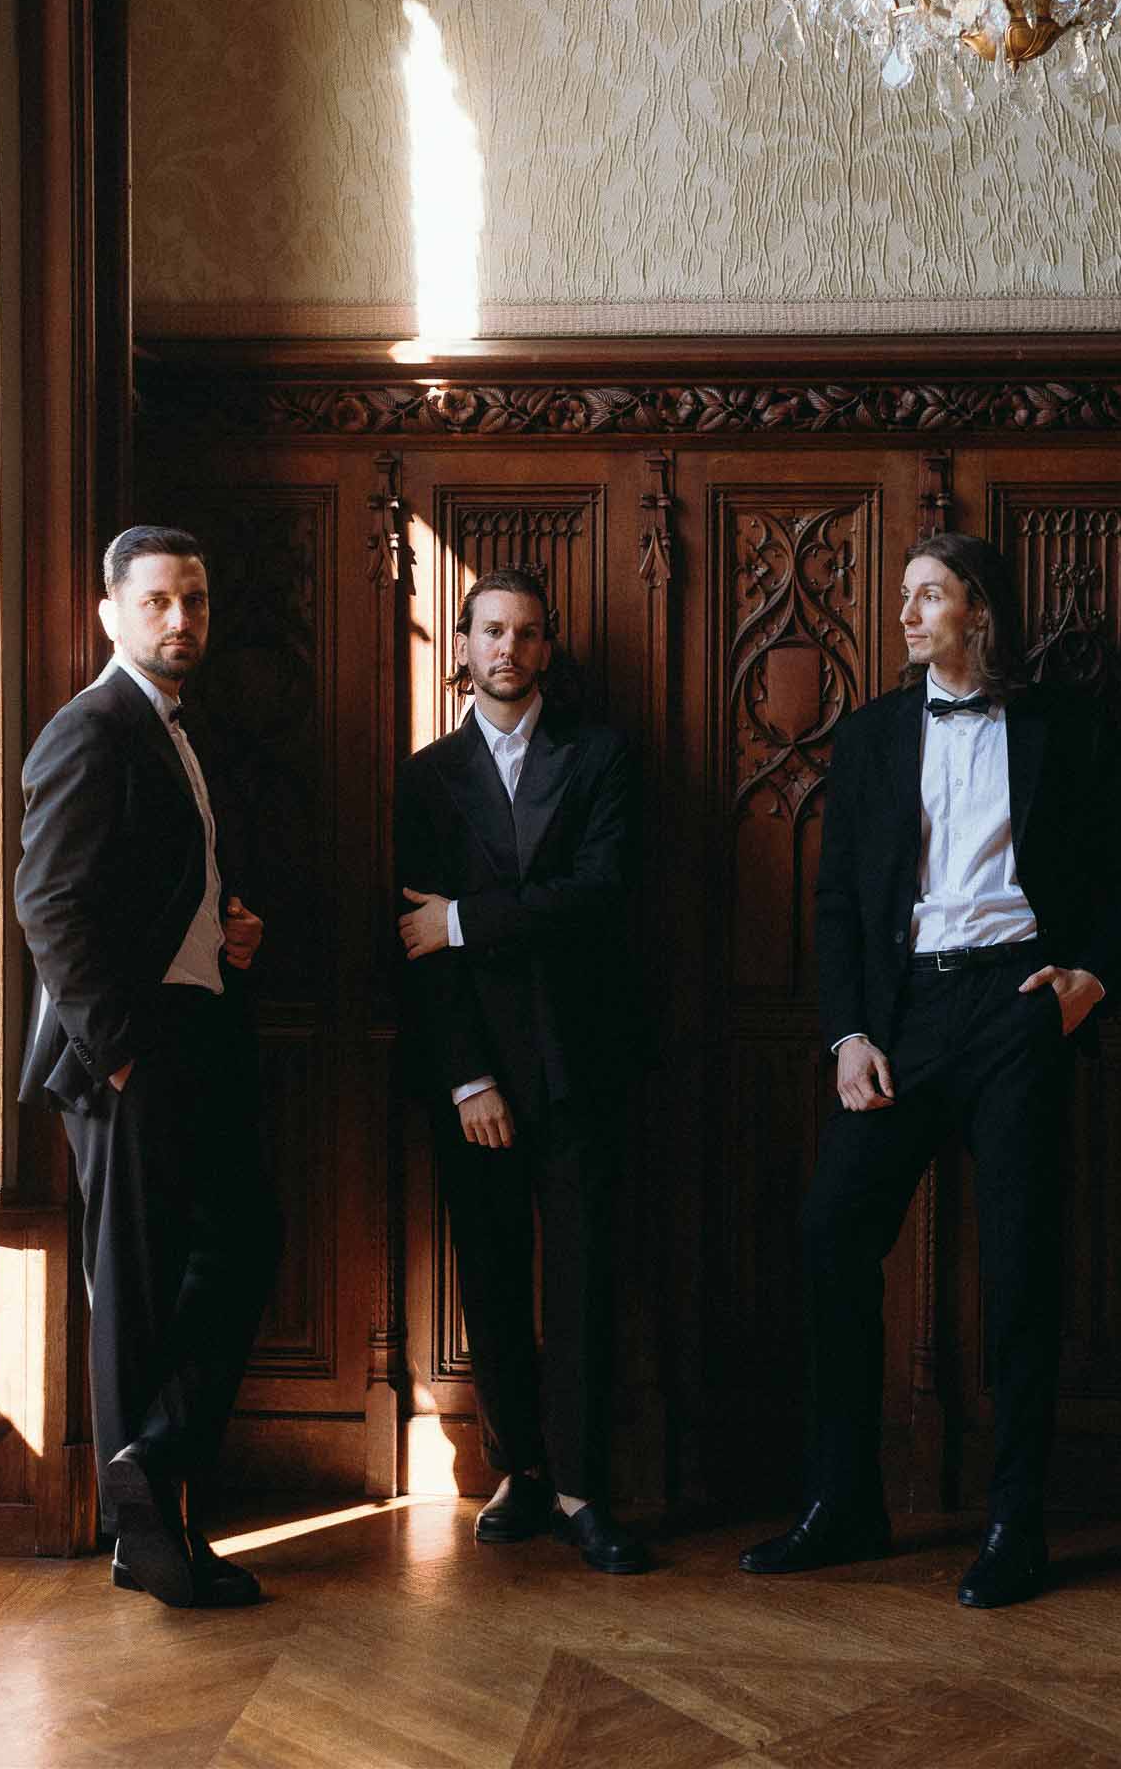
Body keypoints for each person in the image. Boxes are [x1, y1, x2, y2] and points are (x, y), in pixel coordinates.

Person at [739, 533, 1121, 1608]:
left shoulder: (1064, 727)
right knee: (831, 1229)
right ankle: (845, 1502)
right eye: (902, 595)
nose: (904, 612)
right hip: (904, 1014)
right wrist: (847, 1035)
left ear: (979, 608)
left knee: (1021, 1266)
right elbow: (838, 900)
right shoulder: (872, 735)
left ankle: (1015, 1522)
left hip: (1019, 1006)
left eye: (927, 594)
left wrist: (1089, 980)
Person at [15, 525, 281, 1608]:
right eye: (159, 600)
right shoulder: (91, 726)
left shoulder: (174, 724)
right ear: (111, 613)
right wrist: (117, 1052)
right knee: (135, 1293)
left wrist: (230, 922)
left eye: (195, 600)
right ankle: (150, 1541)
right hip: (129, 1050)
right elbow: (49, 904)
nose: (181, 619)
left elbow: (163, 880)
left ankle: (155, 1468)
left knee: (241, 1244)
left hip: (195, 1029)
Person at [394, 568, 649, 1574]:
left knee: (583, 1279)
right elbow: (410, 946)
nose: (508, 647)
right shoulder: (426, 776)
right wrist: (466, 1079)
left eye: (527, 632)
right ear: (462, 645)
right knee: (492, 1277)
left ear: (546, 648)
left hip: (582, 1062)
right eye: (491, 630)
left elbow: (600, 892)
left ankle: (583, 1484)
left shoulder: (601, 754)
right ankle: (522, 1469)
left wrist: (464, 917)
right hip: (476, 1072)